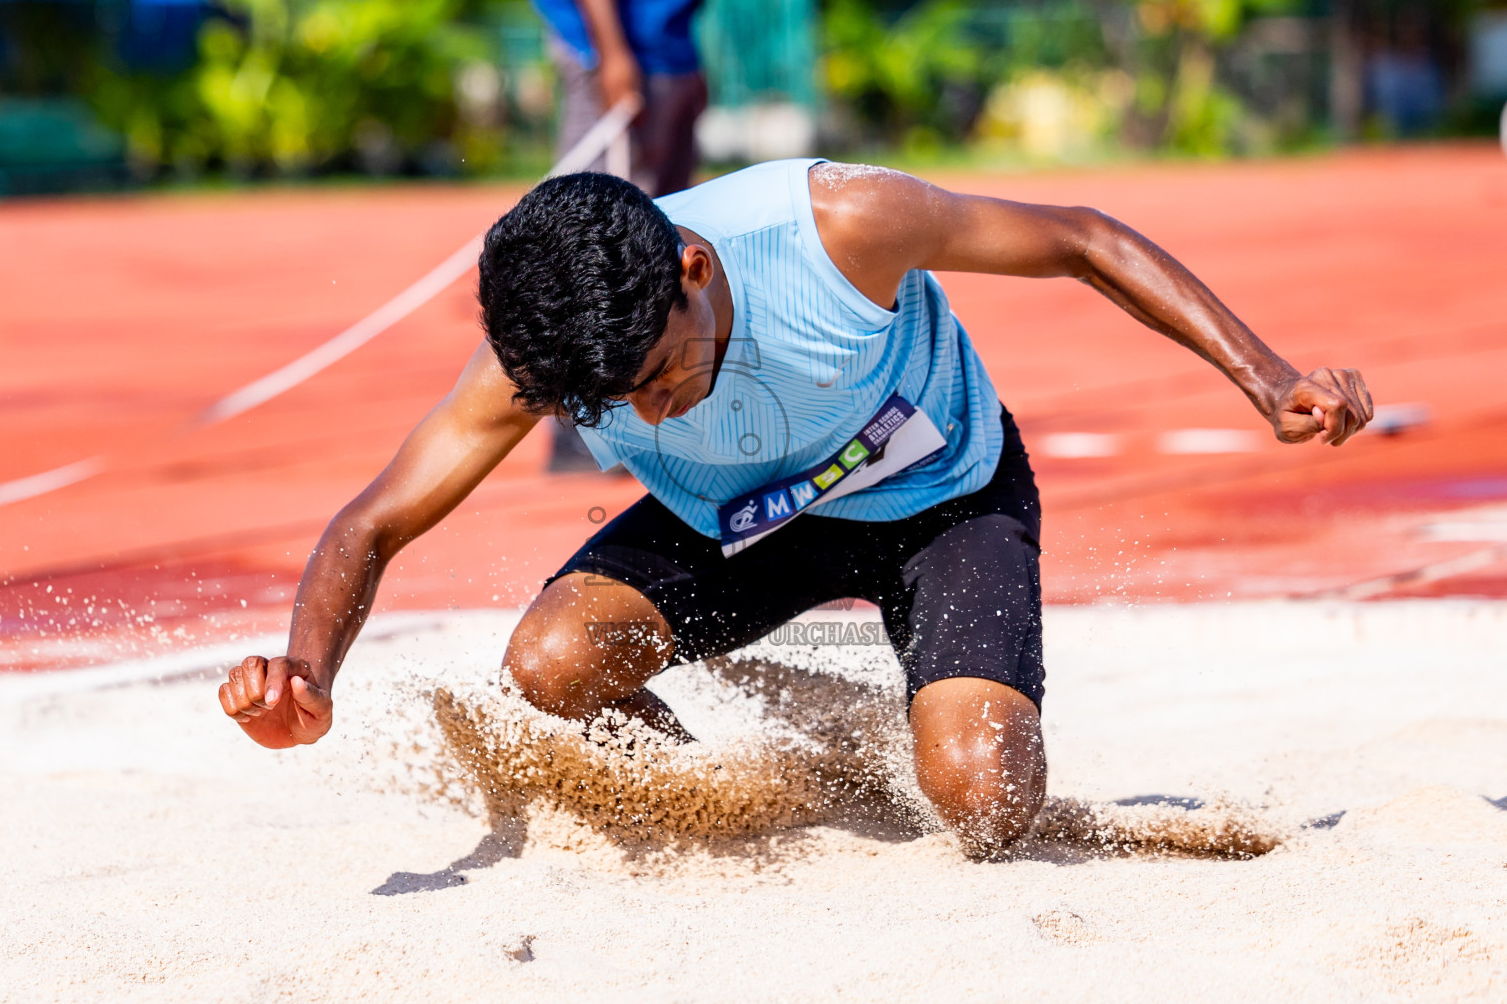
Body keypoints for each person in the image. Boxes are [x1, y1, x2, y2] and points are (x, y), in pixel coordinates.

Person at [218, 161, 1373, 857]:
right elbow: (372, 521)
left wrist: (1268, 379)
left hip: (939, 495)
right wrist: (309, 675)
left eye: (664, 374)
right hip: (737, 524)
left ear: (695, 268)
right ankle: (764, 773)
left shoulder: (837, 227)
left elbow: (1080, 236)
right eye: (620, 404)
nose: (655, 414)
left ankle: (927, 708)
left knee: (982, 798)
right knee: (549, 667)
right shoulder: (549, 355)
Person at [532, 0, 709, 472]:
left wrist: (687, 61)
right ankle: (579, 429)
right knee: (589, 244)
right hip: (616, 52)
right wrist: (613, 54)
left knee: (665, 241)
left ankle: (654, 426)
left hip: (666, 48)